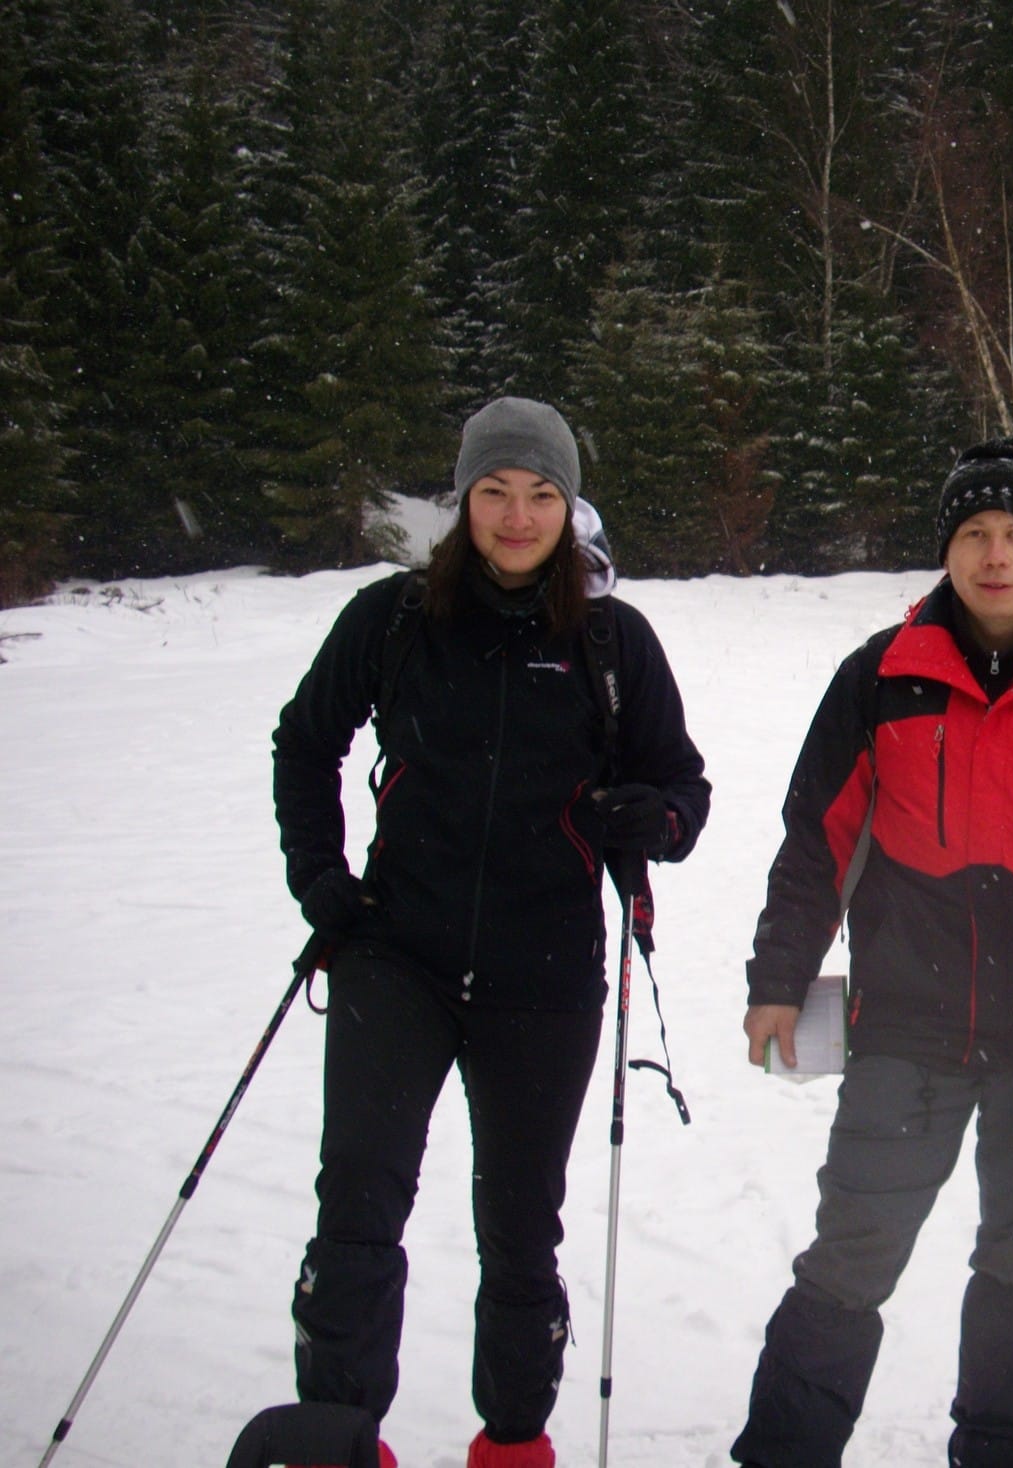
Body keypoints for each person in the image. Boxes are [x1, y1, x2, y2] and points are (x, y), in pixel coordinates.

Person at [270, 397, 711, 1468]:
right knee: (358, 1205)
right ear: (463, 499)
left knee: (520, 1229)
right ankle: (337, 1438)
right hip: (397, 955)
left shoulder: (609, 639)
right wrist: (321, 880)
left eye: (541, 494)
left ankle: (513, 1444)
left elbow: (683, 791)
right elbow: (305, 743)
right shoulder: (392, 619)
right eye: (496, 492)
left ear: (570, 507)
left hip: (545, 972)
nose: (517, 517)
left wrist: (652, 820)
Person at [731, 438, 1013, 1468]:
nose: (994, 555)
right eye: (974, 533)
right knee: (853, 1248)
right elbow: (817, 838)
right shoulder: (882, 676)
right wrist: (777, 978)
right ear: (946, 548)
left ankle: (993, 1449)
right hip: (907, 1021)